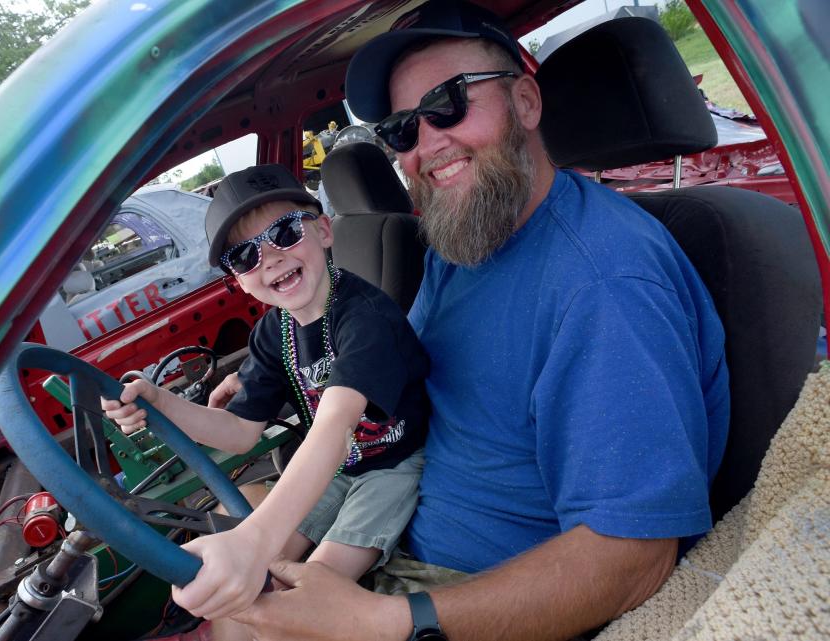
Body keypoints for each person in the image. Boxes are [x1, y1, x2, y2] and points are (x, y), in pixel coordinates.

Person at [224, 2, 730, 640]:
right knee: (229, 596)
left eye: (448, 104)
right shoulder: (464, 241)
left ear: (525, 101)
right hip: (394, 516)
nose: (426, 142)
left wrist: (382, 620)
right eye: (402, 129)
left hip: (464, 587)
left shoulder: (604, 282)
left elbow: (634, 556)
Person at [101, 164, 429, 632]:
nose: (270, 258)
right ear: (237, 279)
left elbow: (335, 428)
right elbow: (238, 433)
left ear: (322, 230)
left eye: (285, 231)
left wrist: (253, 540)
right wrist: (159, 402)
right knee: (258, 576)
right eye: (244, 256)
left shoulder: (366, 319)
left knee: (309, 591)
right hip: (337, 469)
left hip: (393, 466)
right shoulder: (275, 331)